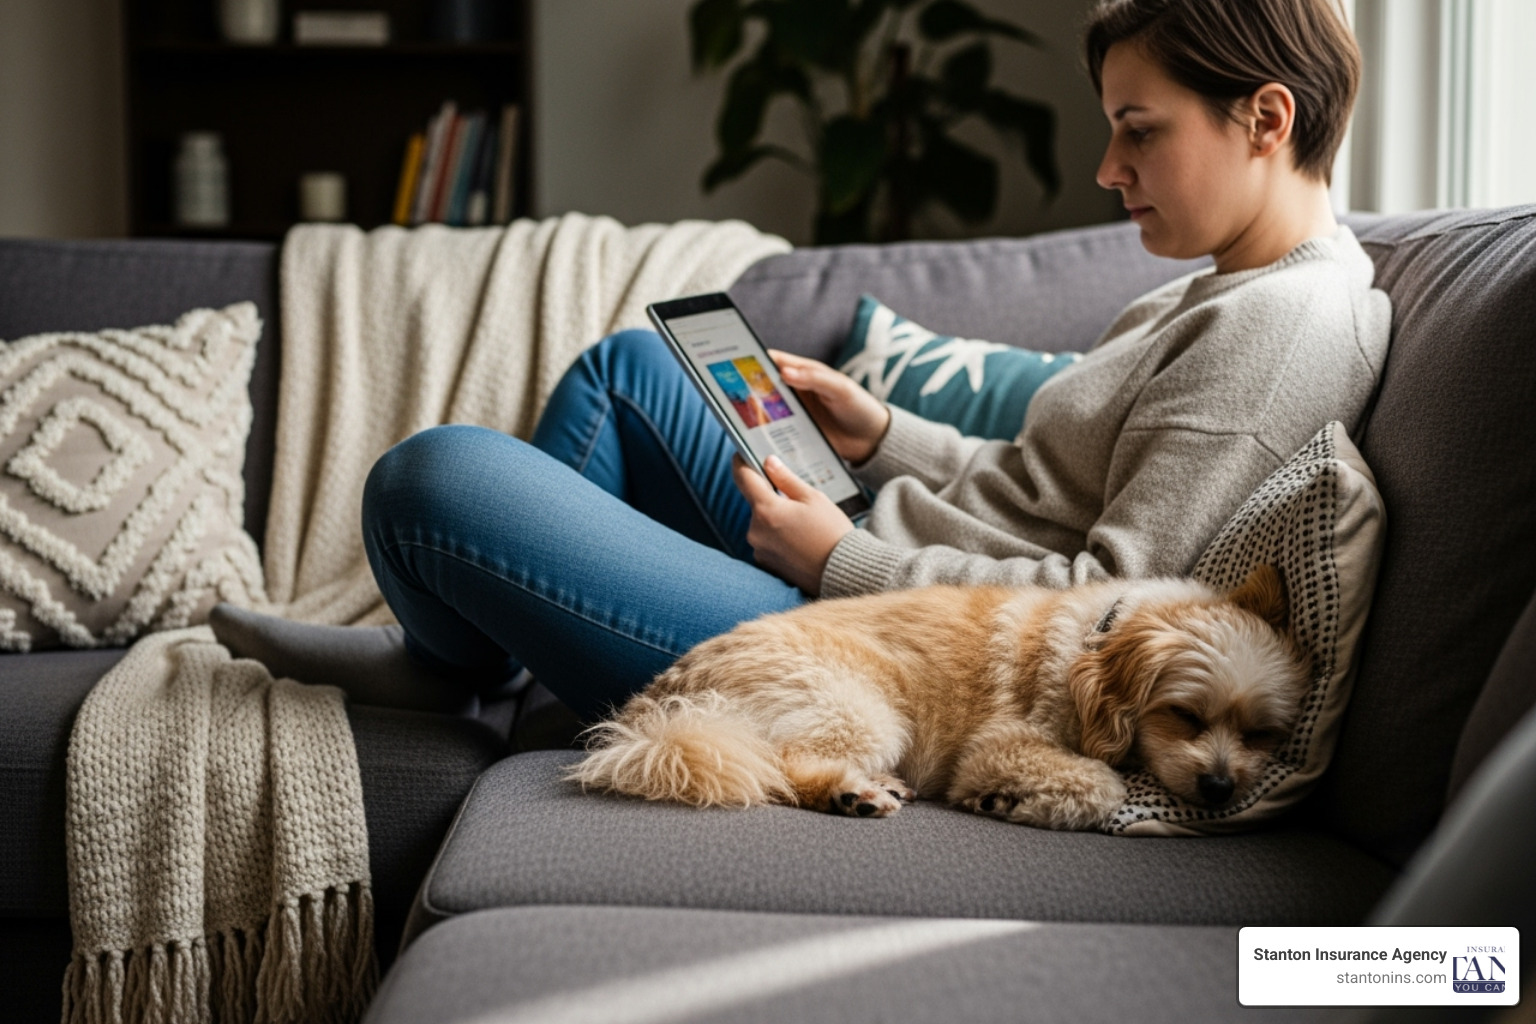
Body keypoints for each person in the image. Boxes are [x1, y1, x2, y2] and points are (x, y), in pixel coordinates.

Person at [360, 0, 1388, 721]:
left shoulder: (1282, 328)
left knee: (429, 477)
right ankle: (487, 665)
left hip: (886, 650)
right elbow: (1037, 490)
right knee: (631, 368)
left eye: (1138, 131)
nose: (1108, 168)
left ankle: (465, 664)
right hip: (889, 570)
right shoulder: (1216, 285)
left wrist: (835, 561)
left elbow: (1108, 610)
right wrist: (885, 437)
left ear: (1265, 118)